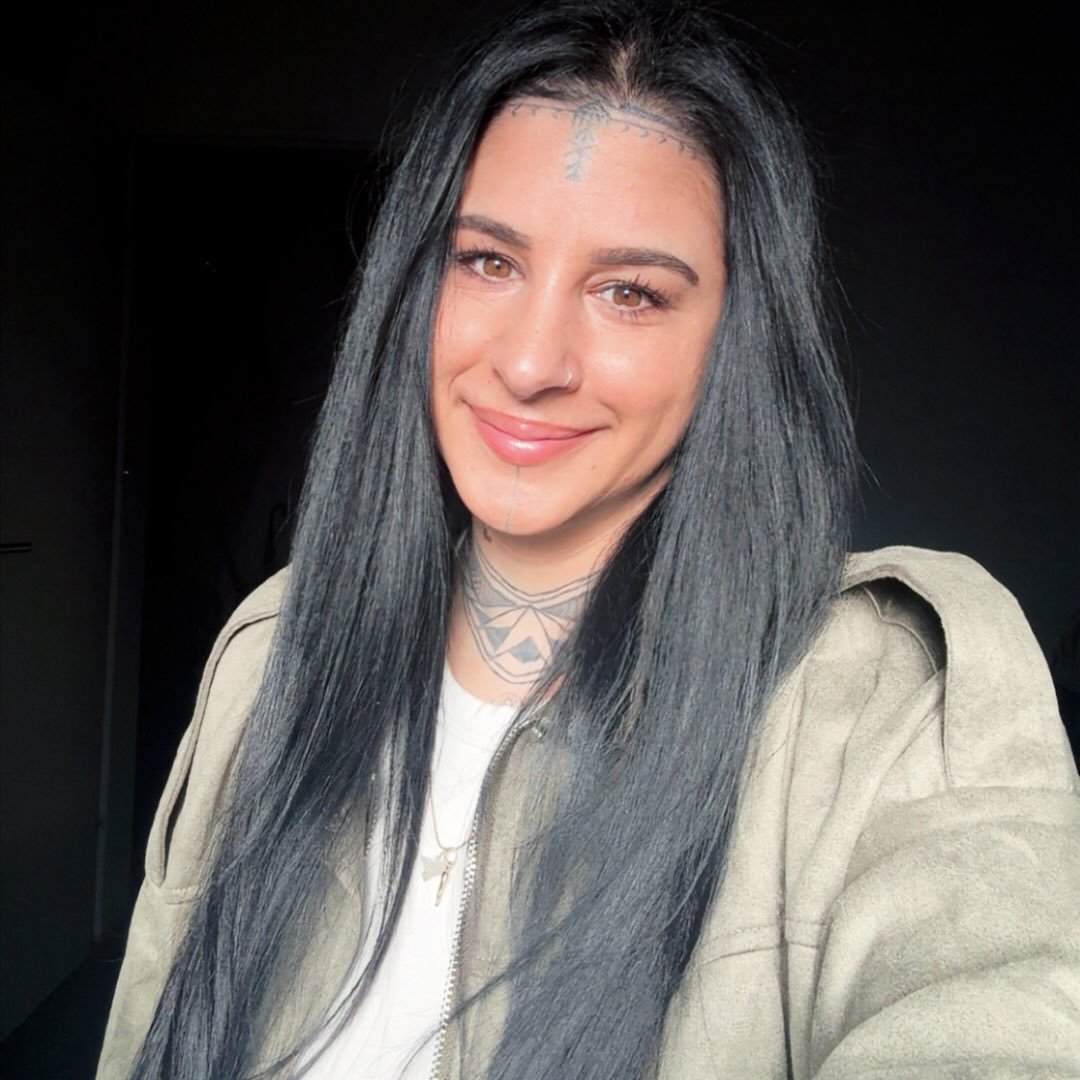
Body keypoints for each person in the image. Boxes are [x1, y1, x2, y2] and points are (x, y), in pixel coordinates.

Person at [97, 2, 1080, 1078]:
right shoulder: (273, 648)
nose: (530, 363)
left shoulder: (880, 696)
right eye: (488, 262)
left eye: (629, 293)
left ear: (734, 339)